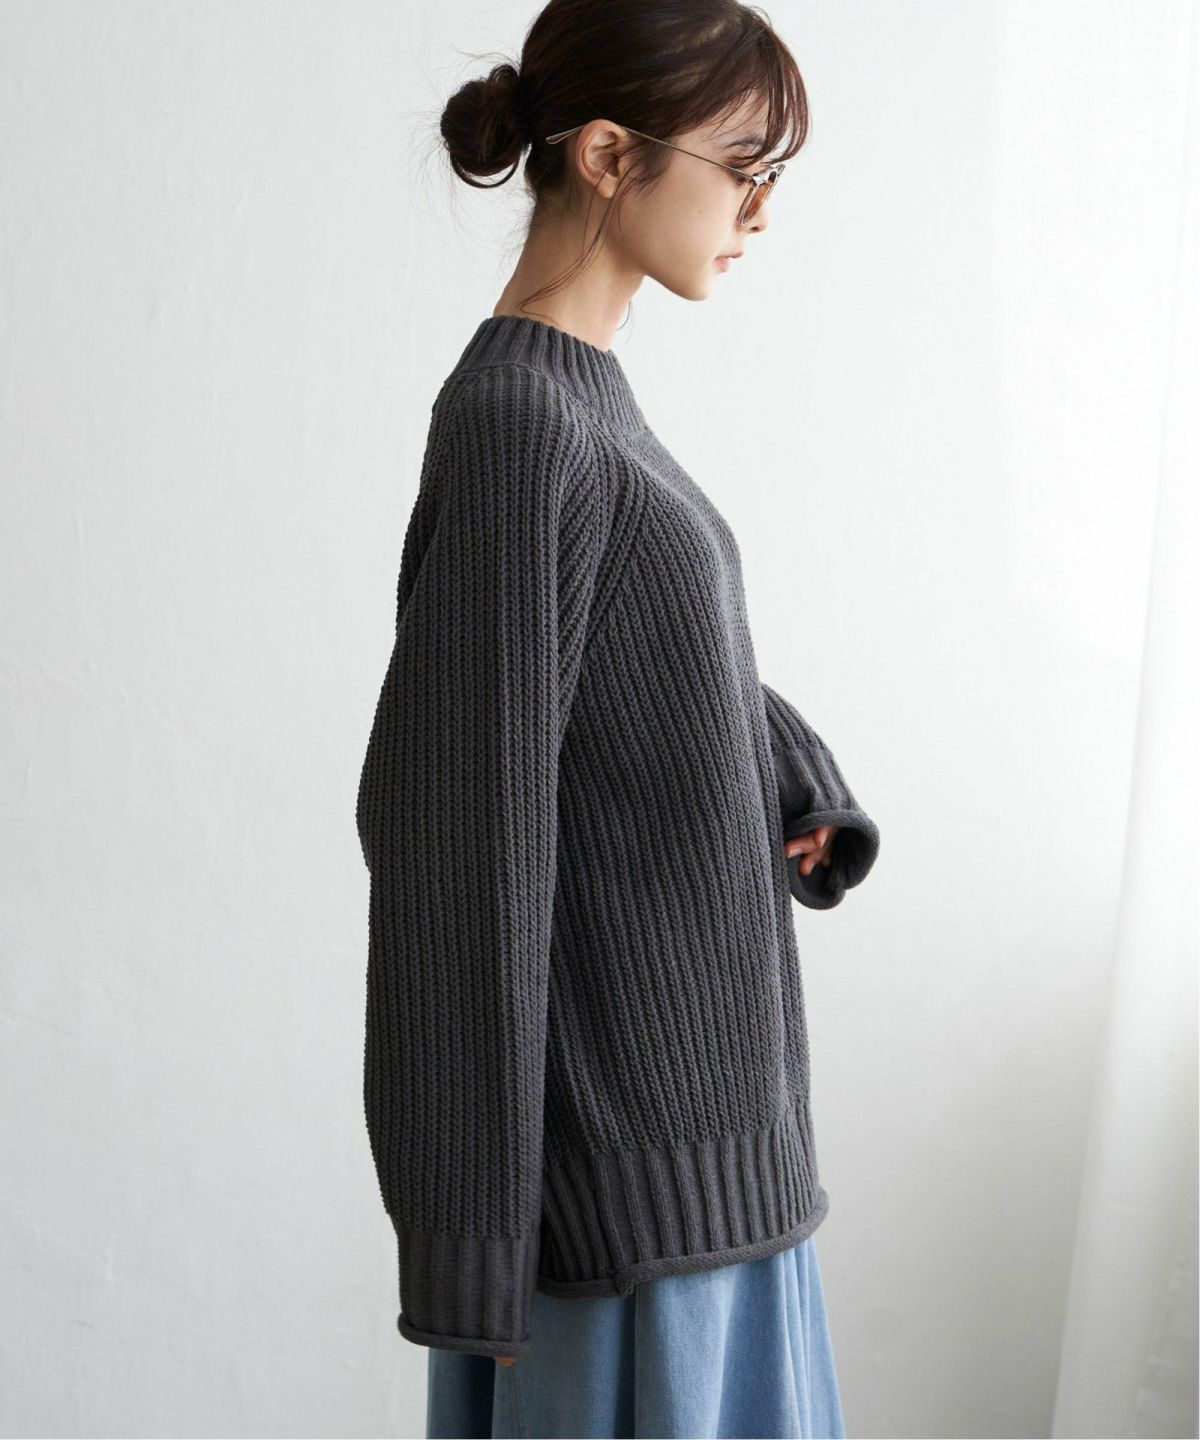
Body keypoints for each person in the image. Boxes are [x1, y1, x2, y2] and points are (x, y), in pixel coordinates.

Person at [355, 1, 881, 1434]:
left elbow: (644, 659)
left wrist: (790, 778)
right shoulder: (522, 424)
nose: (761, 213)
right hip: (624, 1218)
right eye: (743, 168)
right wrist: (470, 1244)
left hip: (706, 1166)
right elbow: (458, 843)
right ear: (604, 154)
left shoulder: (585, 404)